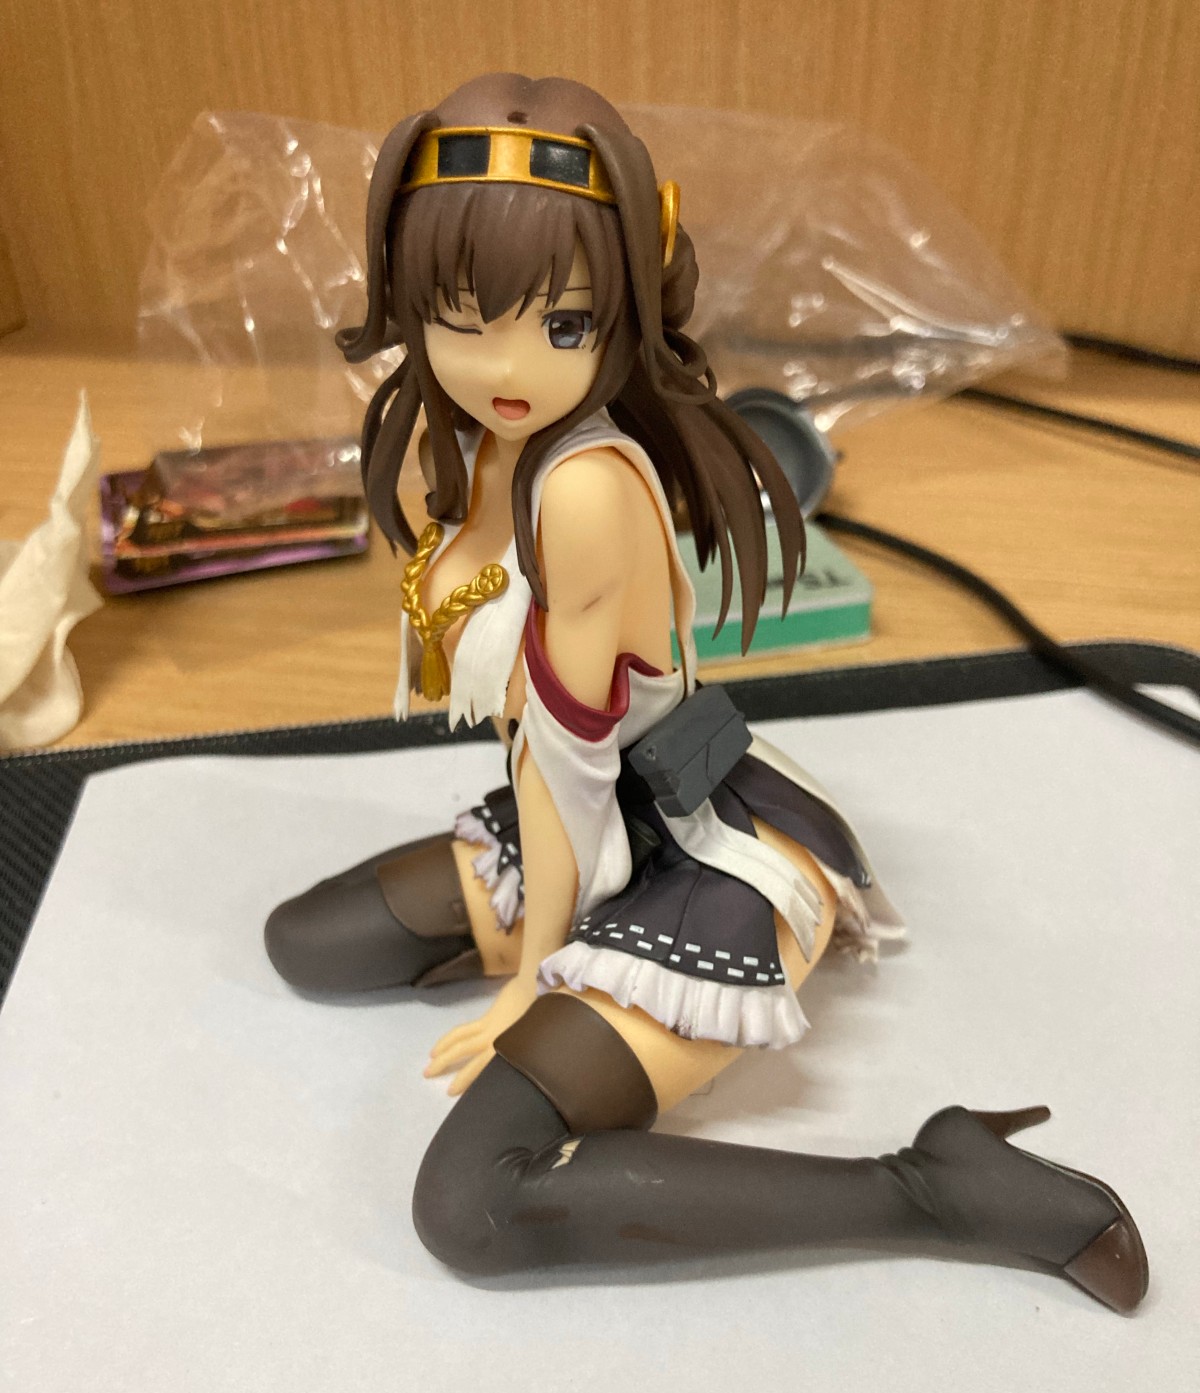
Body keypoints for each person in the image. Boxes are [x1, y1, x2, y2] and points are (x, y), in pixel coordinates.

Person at [265, 74, 1148, 1310]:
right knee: (310, 939)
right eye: (462, 319)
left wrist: (537, 976)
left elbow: (566, 765)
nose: (505, 365)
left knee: (473, 1203)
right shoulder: (481, 446)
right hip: (600, 817)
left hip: (702, 851)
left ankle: (937, 1185)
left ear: (623, 310)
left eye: (562, 324)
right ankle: (573, 1000)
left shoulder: (584, 490)